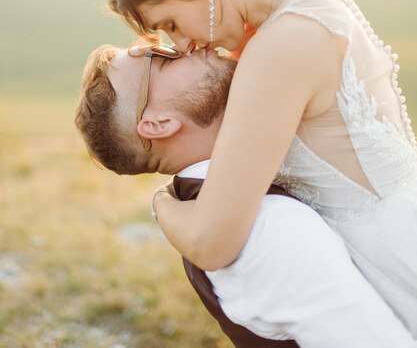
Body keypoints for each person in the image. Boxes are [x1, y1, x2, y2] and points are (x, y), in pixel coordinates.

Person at [99, 0, 417, 336]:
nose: (183, 44)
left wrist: (162, 204)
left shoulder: (281, 45)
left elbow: (212, 242)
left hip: (393, 256)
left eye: (169, 23)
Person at [74, 43, 417, 348]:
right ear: (159, 123)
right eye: (163, 58)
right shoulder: (268, 228)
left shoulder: (211, 202)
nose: (188, 45)